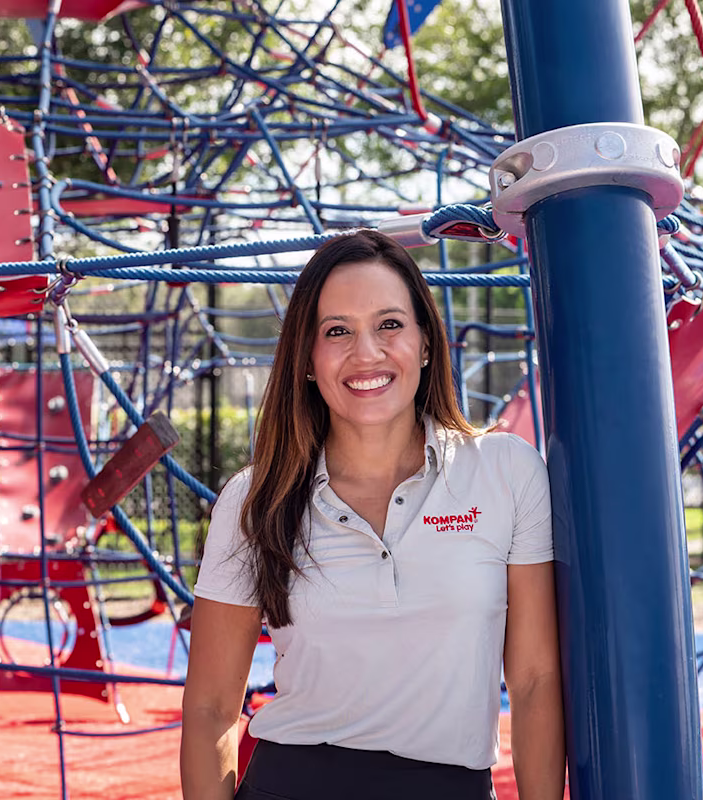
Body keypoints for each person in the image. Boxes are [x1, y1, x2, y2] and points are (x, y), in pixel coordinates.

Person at [180, 229, 565, 800]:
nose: (367, 353)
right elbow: (212, 707)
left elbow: (535, 681)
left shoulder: (506, 471)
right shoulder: (256, 499)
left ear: (426, 342)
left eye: (389, 324)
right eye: (337, 331)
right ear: (308, 360)